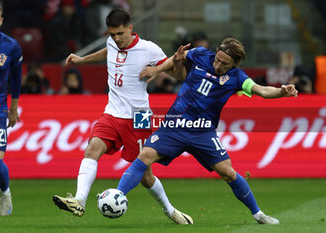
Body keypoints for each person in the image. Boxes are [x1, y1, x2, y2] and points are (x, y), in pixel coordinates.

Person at [116, 38, 298, 225]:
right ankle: (118, 195)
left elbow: (262, 91)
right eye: (217, 59)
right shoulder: (201, 54)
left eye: (224, 63)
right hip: (174, 125)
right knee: (145, 155)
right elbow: (177, 57)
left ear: (234, 63)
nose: (218, 65)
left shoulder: (237, 77)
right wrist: (158, 69)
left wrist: (281, 92)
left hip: (203, 131)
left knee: (228, 172)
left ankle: (258, 214)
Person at [52, 8, 193, 224]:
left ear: (130, 28)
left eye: (120, 34)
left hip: (139, 117)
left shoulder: (148, 49)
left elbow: (179, 74)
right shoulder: (112, 43)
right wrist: (82, 60)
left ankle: (170, 210)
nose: (116, 39)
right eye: (112, 34)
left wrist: (177, 61)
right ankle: (79, 200)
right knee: (92, 148)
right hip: (112, 111)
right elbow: (107, 52)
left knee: (146, 177)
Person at [0, 1, 23, 216]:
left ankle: (4, 191)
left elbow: (17, 80)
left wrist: (14, 108)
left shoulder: (11, 47)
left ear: (2, 21)